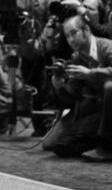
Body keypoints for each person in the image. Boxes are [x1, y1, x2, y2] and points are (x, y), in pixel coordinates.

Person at [42, 14, 112, 160]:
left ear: (86, 30)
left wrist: (90, 73)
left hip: (108, 110)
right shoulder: (77, 57)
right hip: (96, 112)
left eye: (74, 33)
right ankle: (96, 140)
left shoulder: (106, 47)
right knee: (51, 143)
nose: (71, 40)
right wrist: (59, 85)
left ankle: (106, 147)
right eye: (67, 36)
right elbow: (71, 96)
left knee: (109, 86)